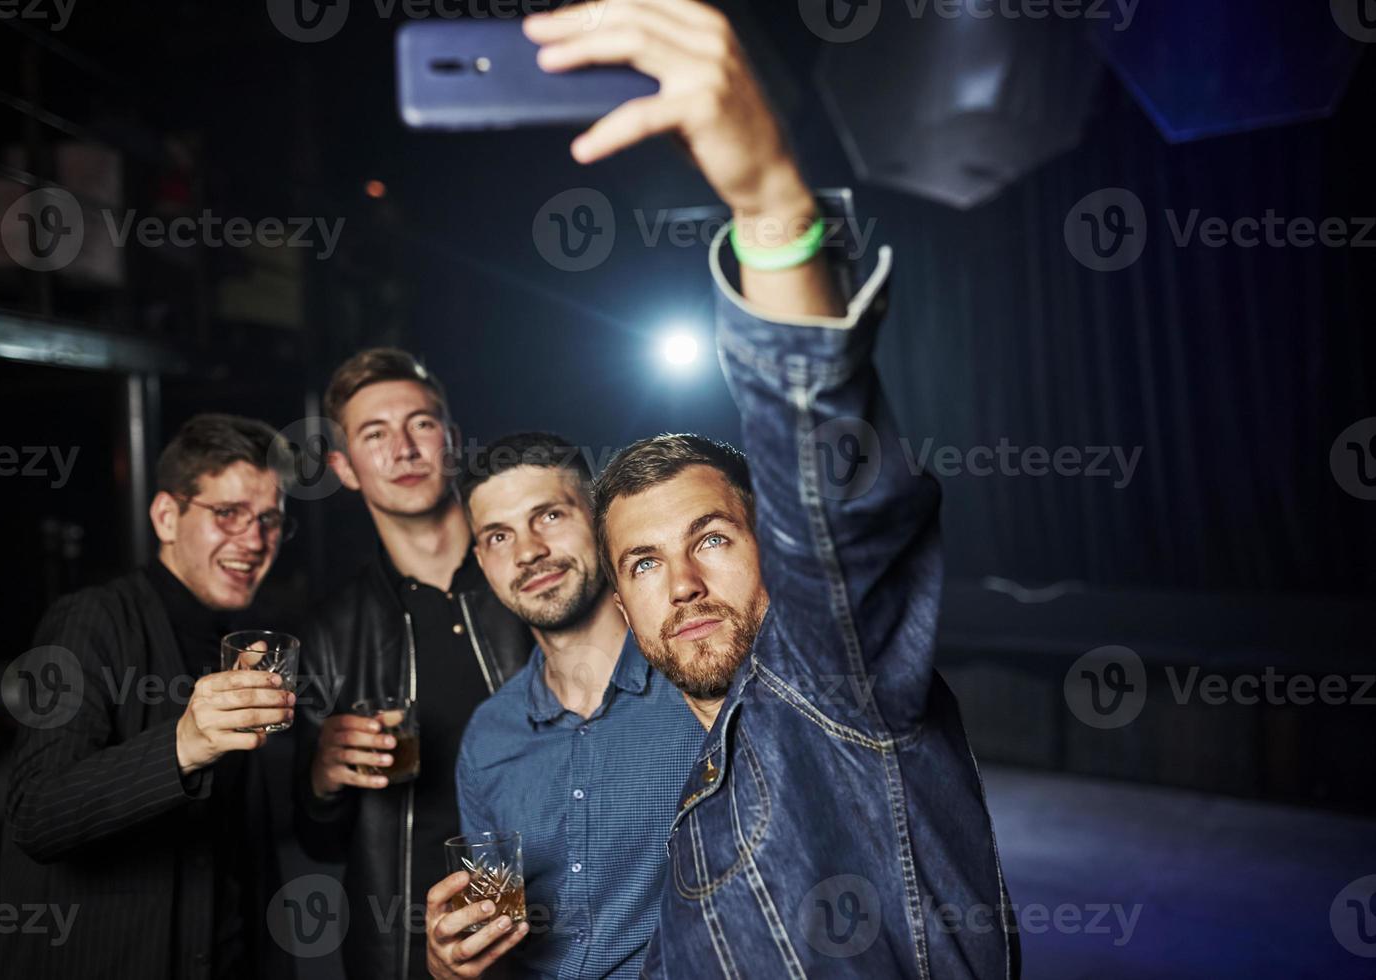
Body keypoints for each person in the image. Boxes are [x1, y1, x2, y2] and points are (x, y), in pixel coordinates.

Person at [526, 1, 1020, 975]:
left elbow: (835, 513)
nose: (684, 583)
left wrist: (767, 205)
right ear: (621, 603)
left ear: (773, 549)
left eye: (711, 537)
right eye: (645, 561)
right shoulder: (690, 795)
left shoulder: (830, 696)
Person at [0, 414, 298, 980]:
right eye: (228, 514)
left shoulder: (242, 639)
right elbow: (36, 816)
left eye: (270, 520)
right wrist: (182, 745)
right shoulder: (92, 620)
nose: (254, 540)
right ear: (167, 516)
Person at [424, 433, 704, 979]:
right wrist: (450, 966)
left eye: (549, 515)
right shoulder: (489, 736)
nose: (528, 552)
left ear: (600, 523)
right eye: (499, 535)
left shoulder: (699, 681)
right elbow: (491, 934)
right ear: (481, 560)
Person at [292, 348, 532, 980]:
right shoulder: (329, 631)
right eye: (375, 434)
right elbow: (318, 842)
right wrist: (322, 775)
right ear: (344, 467)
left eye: (420, 424)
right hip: (411, 955)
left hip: (571, 928)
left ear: (450, 441)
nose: (404, 449)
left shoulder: (536, 577)